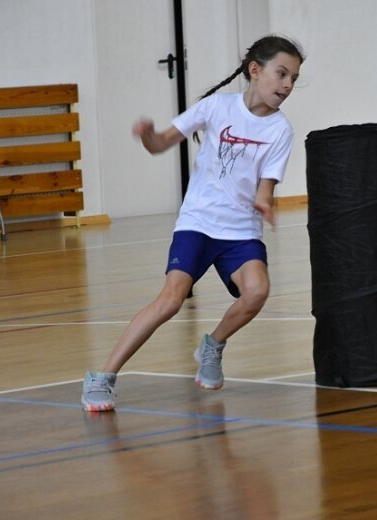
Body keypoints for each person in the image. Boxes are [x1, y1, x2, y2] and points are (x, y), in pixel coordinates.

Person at [81, 35, 305, 412]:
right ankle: (102, 377)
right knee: (170, 301)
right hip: (198, 222)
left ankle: (212, 345)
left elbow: (266, 186)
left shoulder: (280, 130)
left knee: (257, 292)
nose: (287, 85)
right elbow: (162, 143)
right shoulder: (216, 107)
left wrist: (264, 203)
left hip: (240, 231)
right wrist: (149, 136)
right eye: (281, 74)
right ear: (255, 69)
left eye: (294, 79)